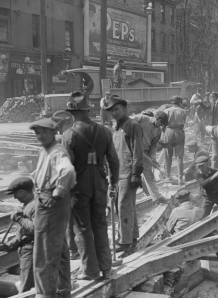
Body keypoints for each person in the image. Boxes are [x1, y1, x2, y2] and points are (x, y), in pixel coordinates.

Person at [62, 92, 120, 280]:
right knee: (100, 224)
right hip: (101, 183)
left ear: (72, 113)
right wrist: (113, 182)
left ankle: (90, 271)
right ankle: (106, 267)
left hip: (80, 185)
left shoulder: (69, 135)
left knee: (82, 228)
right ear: (88, 110)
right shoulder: (105, 131)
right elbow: (113, 160)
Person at [23, 118, 76, 298]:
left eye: (43, 132)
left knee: (44, 250)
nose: (40, 136)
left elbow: (68, 171)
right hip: (45, 199)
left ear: (53, 132)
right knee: (59, 246)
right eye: (37, 132)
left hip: (50, 201)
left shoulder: (57, 151)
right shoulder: (44, 151)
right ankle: (63, 289)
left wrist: (59, 190)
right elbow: (40, 173)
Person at [105, 96, 145, 254]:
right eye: (111, 111)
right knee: (125, 206)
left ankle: (124, 242)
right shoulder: (116, 126)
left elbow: (138, 151)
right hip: (117, 172)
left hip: (128, 172)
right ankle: (132, 237)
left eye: (116, 109)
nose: (114, 113)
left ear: (124, 109)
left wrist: (136, 173)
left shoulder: (133, 125)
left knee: (123, 206)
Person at [0, 177, 36, 293]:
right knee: (28, 283)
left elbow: (36, 228)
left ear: (22, 191)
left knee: (26, 287)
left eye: (15, 193)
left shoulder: (34, 206)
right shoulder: (28, 205)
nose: (14, 197)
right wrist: (7, 246)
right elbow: (22, 234)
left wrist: (19, 219)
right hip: (27, 250)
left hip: (33, 251)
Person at [132, 110, 168, 202]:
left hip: (144, 152)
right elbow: (126, 122)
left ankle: (157, 197)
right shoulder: (143, 118)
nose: (161, 125)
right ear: (157, 118)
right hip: (131, 150)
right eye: (161, 122)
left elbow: (153, 146)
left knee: (149, 175)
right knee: (130, 175)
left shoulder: (158, 131)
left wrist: (152, 159)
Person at [161, 96, 187, 185]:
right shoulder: (183, 111)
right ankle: (180, 178)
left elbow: (163, 124)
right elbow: (184, 122)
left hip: (169, 131)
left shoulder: (166, 111)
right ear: (179, 103)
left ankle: (168, 176)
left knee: (168, 156)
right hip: (179, 131)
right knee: (179, 157)